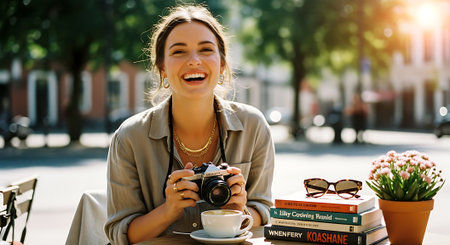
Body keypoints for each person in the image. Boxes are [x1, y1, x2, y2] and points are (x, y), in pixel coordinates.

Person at [104, 4, 275, 244]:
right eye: (179, 52)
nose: (194, 60)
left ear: (222, 64)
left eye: (206, 49)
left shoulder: (254, 126)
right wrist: (168, 210)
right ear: (162, 68)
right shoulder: (130, 137)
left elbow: (265, 210)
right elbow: (119, 233)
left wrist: (241, 211)